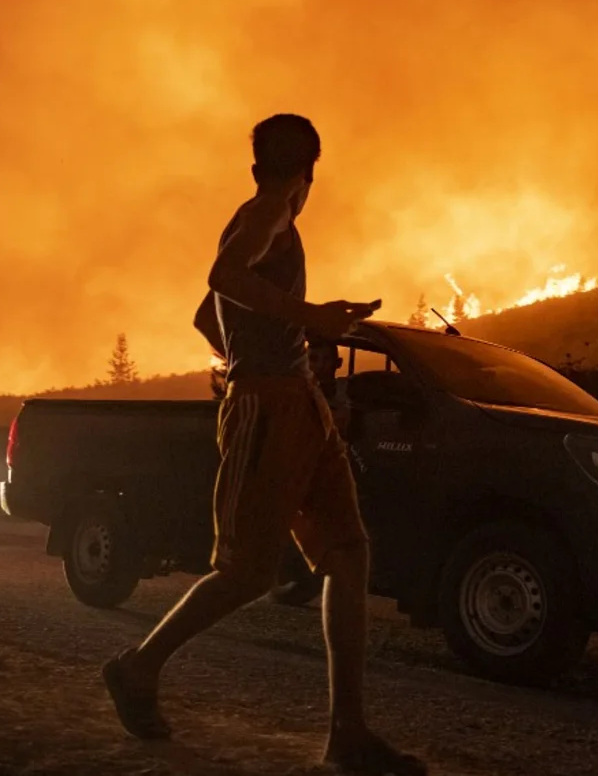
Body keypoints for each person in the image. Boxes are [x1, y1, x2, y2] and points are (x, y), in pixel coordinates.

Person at [101, 114, 425, 775]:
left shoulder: (262, 210)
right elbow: (222, 275)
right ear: (310, 172)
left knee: (347, 553)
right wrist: (305, 323)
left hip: (299, 404)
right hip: (271, 409)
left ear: (258, 164)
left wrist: (258, 350)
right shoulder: (271, 211)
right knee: (247, 570)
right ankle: (138, 668)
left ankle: (348, 735)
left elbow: (205, 312)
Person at [308, 337, 351, 437]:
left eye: (327, 359)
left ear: (338, 363)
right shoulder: (298, 393)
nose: (320, 365)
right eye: (313, 359)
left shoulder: (349, 391)